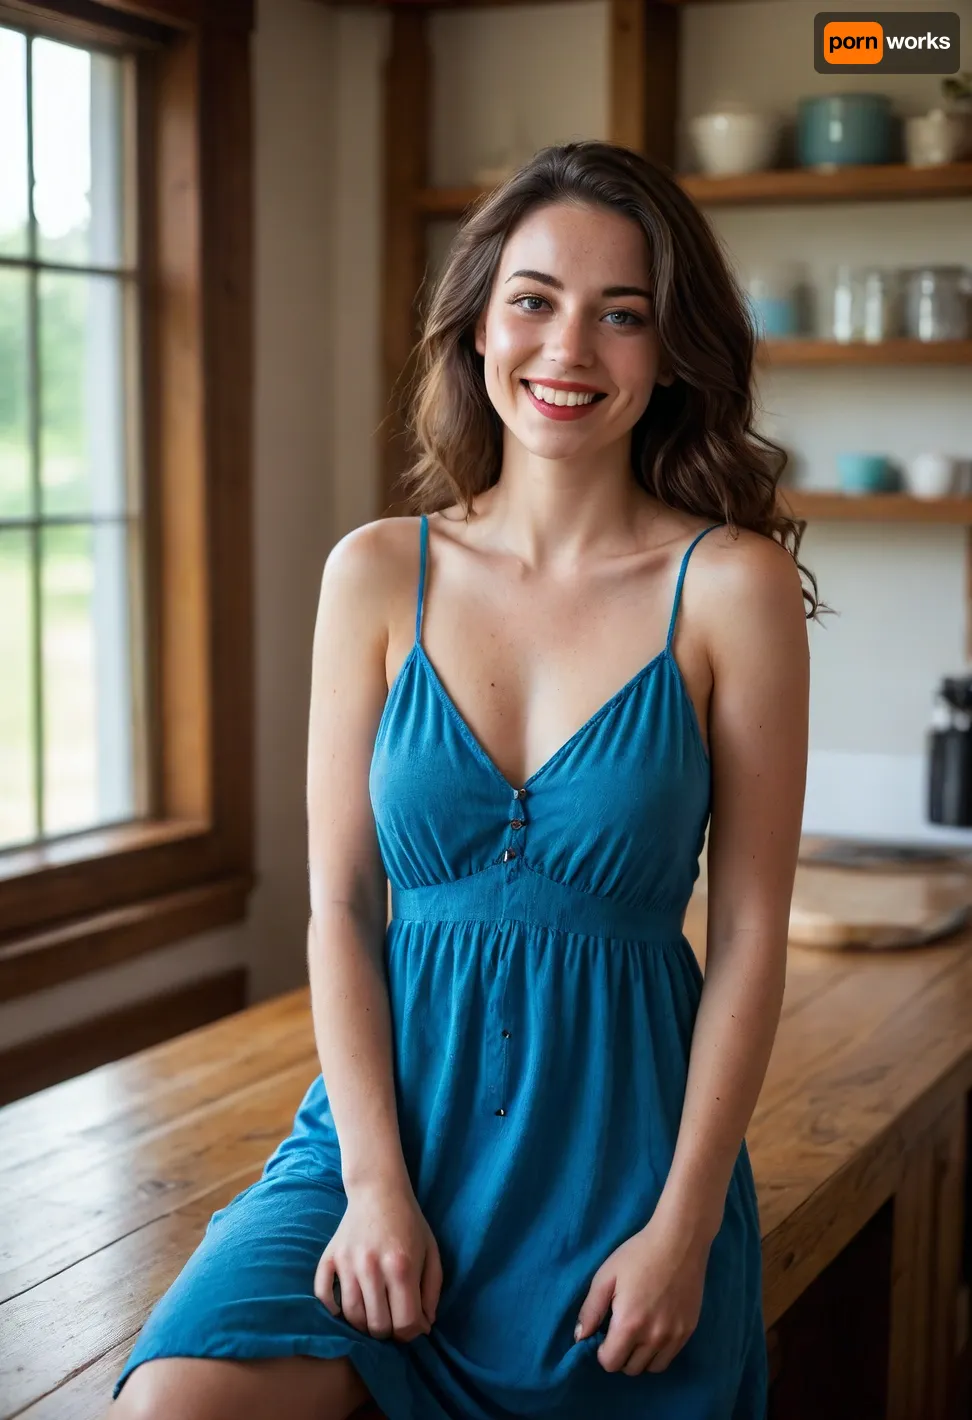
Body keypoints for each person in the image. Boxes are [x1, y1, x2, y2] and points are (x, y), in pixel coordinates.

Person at [109, 140, 814, 1420]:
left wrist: (686, 1222)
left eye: (624, 315)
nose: (569, 352)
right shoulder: (377, 571)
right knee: (171, 1403)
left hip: (621, 1157)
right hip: (386, 1134)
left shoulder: (731, 588)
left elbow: (756, 927)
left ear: (670, 353)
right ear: (478, 321)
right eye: (535, 300)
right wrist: (375, 1182)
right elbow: (336, 902)